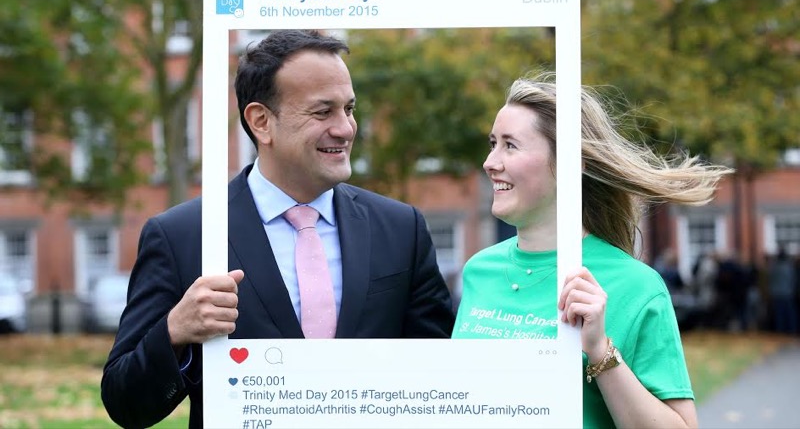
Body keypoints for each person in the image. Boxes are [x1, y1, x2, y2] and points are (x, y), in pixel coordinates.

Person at [101, 30, 455, 428]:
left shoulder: (400, 229)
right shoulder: (183, 236)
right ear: (261, 122)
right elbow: (125, 403)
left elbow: (440, 378)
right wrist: (175, 332)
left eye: (349, 109)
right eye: (323, 112)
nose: (346, 128)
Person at [453, 75, 732, 428]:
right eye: (493, 143)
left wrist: (599, 351)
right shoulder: (480, 270)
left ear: (572, 163)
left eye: (510, 145)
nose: (490, 162)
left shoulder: (636, 286)